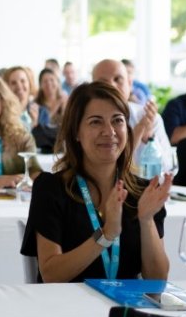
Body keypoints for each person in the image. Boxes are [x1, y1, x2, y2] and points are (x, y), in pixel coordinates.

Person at [21, 82, 171, 282]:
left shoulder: (144, 192)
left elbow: (156, 282)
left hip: (123, 310)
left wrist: (146, 220)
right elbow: (51, 274)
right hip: (67, 309)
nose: (109, 131)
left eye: (117, 121)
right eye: (95, 122)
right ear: (76, 132)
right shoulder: (51, 188)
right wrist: (105, 235)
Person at [91, 59, 171, 166]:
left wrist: (148, 138)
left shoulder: (148, 117)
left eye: (118, 79)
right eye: (103, 82)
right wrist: (138, 132)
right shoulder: (84, 120)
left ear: (129, 83)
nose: (111, 86)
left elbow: (168, 169)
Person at [31, 67, 67, 153]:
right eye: (45, 81)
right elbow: (39, 129)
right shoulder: (35, 104)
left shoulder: (66, 101)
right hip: (44, 147)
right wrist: (57, 105)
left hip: (63, 146)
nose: (49, 83)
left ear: (58, 82)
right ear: (40, 85)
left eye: (52, 80)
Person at [3, 65, 39, 131]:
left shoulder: (41, 112)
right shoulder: (3, 113)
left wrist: (34, 125)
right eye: (13, 83)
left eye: (23, 81)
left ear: (29, 83)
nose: (19, 86)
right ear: (7, 87)